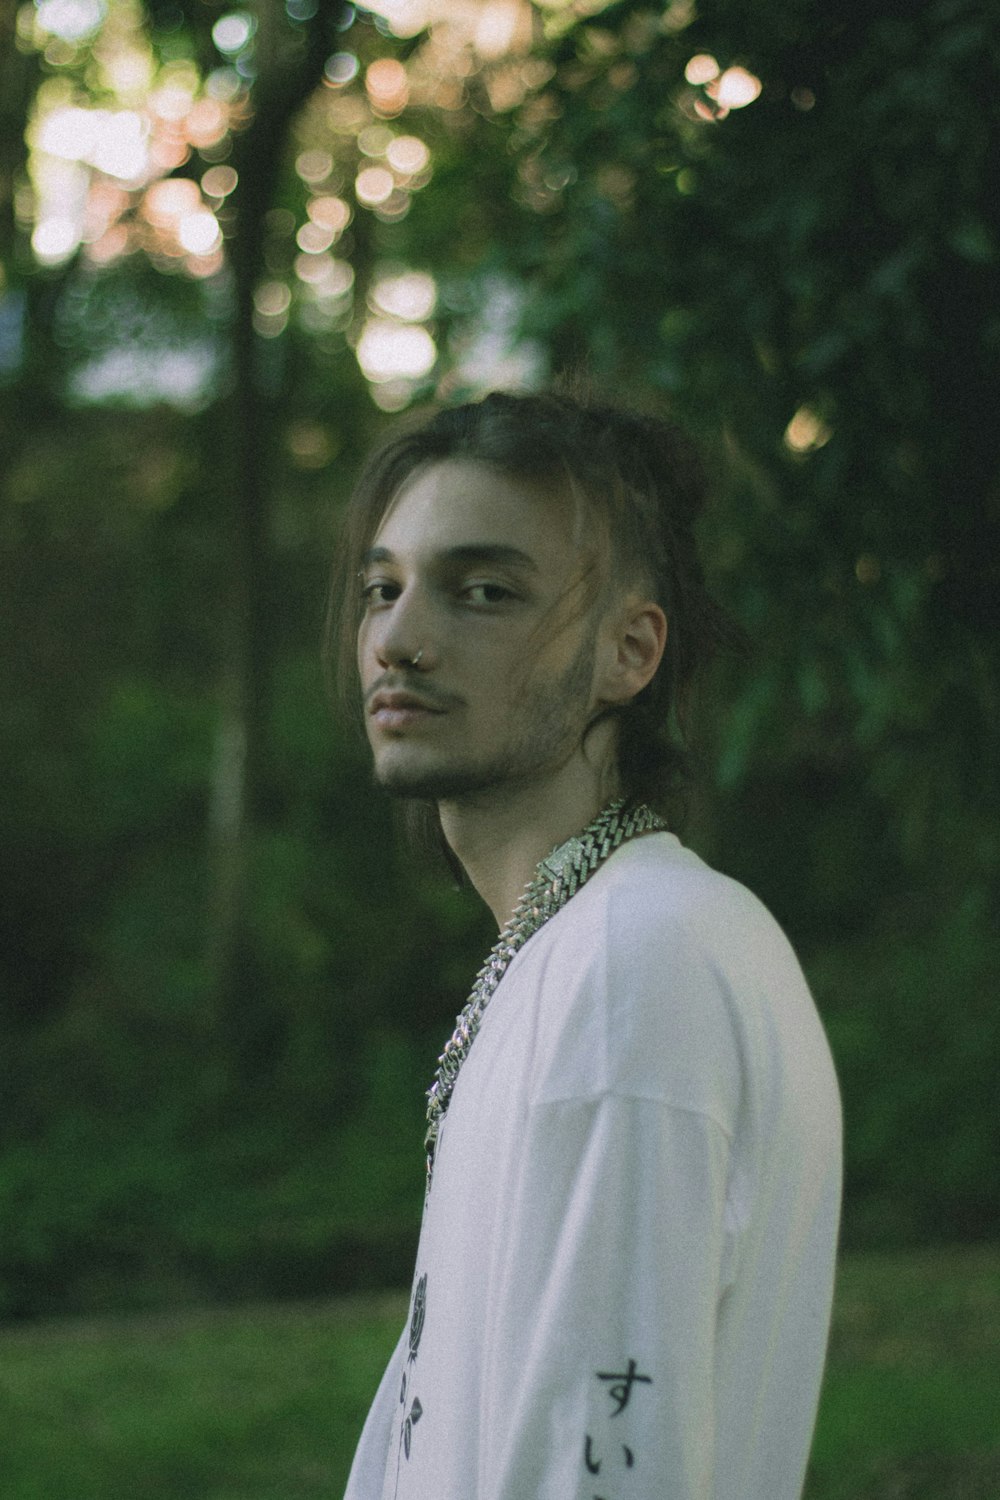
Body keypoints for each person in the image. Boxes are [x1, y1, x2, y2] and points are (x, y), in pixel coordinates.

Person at [332, 390, 841, 1500]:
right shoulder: (596, 943)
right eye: (384, 588)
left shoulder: (629, 966)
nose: (398, 640)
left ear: (629, 650)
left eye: (483, 593)